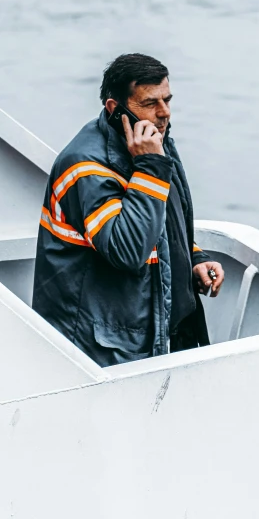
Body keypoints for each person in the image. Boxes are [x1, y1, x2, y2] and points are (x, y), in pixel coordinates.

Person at [32, 53, 224, 366]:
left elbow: (162, 221)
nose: (164, 113)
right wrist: (150, 168)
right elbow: (128, 250)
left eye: (167, 99)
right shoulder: (85, 167)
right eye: (150, 103)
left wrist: (193, 257)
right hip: (110, 353)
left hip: (166, 332)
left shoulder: (153, 142)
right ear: (115, 108)